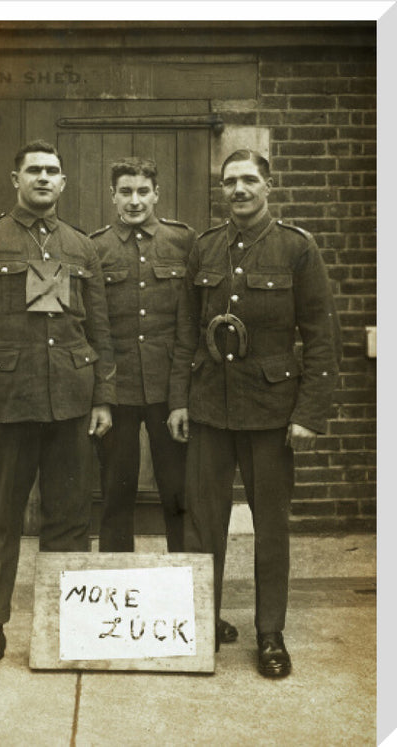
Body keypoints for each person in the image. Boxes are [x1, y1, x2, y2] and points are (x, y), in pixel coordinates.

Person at [0, 140, 116, 681]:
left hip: (69, 400)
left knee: (68, 519)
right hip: (8, 403)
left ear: (64, 183)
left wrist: (103, 397)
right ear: (15, 177)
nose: (44, 179)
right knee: (0, 519)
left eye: (53, 172)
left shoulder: (81, 247)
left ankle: (65, 627)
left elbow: (100, 329)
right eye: (34, 170)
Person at [168, 149, 341, 673]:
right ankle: (202, 624)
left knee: (270, 526)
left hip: (271, 412)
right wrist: (179, 399)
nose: (238, 189)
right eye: (229, 182)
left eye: (248, 180)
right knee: (203, 524)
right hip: (208, 409)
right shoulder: (204, 247)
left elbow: (320, 336)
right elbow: (185, 332)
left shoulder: (296, 247)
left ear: (269, 185)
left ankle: (270, 635)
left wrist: (309, 412)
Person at [90, 156, 238, 647]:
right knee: (115, 497)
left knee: (181, 499)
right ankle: (113, 618)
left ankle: (191, 610)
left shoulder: (183, 242)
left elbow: (189, 327)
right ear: (112, 196)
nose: (134, 200)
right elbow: (97, 331)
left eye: (143, 191)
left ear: (157, 194)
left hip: (171, 396)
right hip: (117, 396)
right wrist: (104, 398)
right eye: (125, 191)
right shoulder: (96, 248)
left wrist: (180, 401)